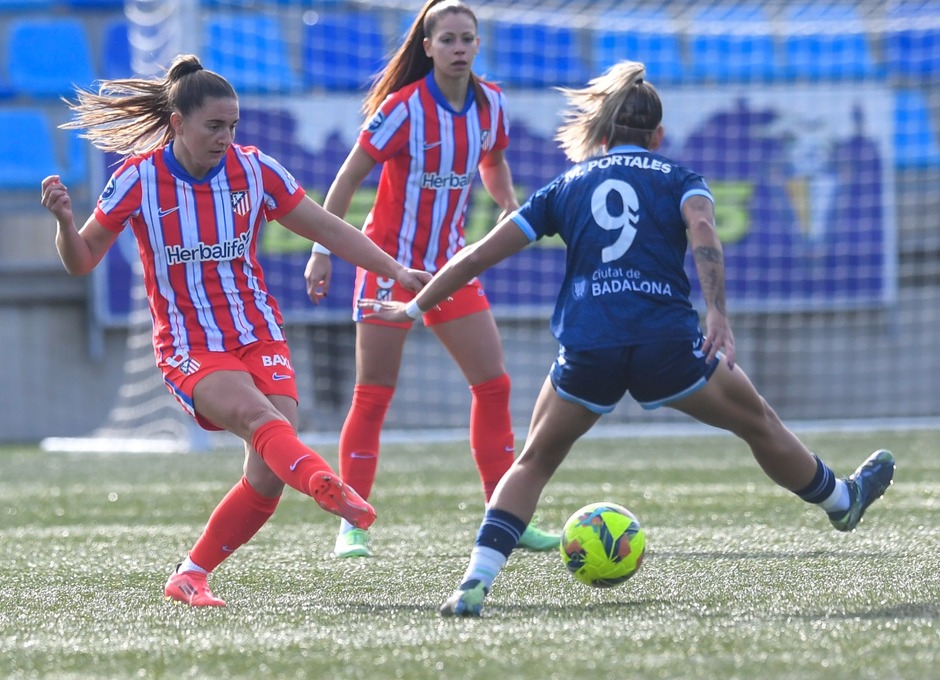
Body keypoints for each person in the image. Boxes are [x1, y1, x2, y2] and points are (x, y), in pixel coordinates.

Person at [358, 60, 897, 617]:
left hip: (590, 346)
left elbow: (478, 253)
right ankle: (841, 499)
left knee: (534, 461)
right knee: (756, 422)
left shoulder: (564, 186)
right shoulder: (682, 181)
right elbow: (704, 232)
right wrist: (717, 314)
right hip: (667, 345)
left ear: (603, 132)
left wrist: (416, 305)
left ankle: (475, 582)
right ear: (658, 136)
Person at [39, 54, 431, 608]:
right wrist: (62, 222)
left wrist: (395, 271)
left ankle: (191, 574)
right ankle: (328, 486)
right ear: (178, 124)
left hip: (258, 333)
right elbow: (80, 260)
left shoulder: (255, 171)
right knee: (262, 420)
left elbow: (325, 226)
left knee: (269, 473)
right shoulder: (138, 179)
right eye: (213, 126)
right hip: (189, 345)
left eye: (233, 126)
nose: (226, 136)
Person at [303, 0, 559, 557]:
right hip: (386, 266)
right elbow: (348, 176)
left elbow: (492, 159)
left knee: (493, 384)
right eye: (448, 40)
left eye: (468, 39)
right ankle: (352, 524)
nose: (460, 48)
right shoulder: (402, 109)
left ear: (478, 44)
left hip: (449, 269)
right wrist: (323, 252)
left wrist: (508, 202)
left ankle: (505, 515)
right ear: (428, 47)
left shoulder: (492, 104)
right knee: (373, 394)